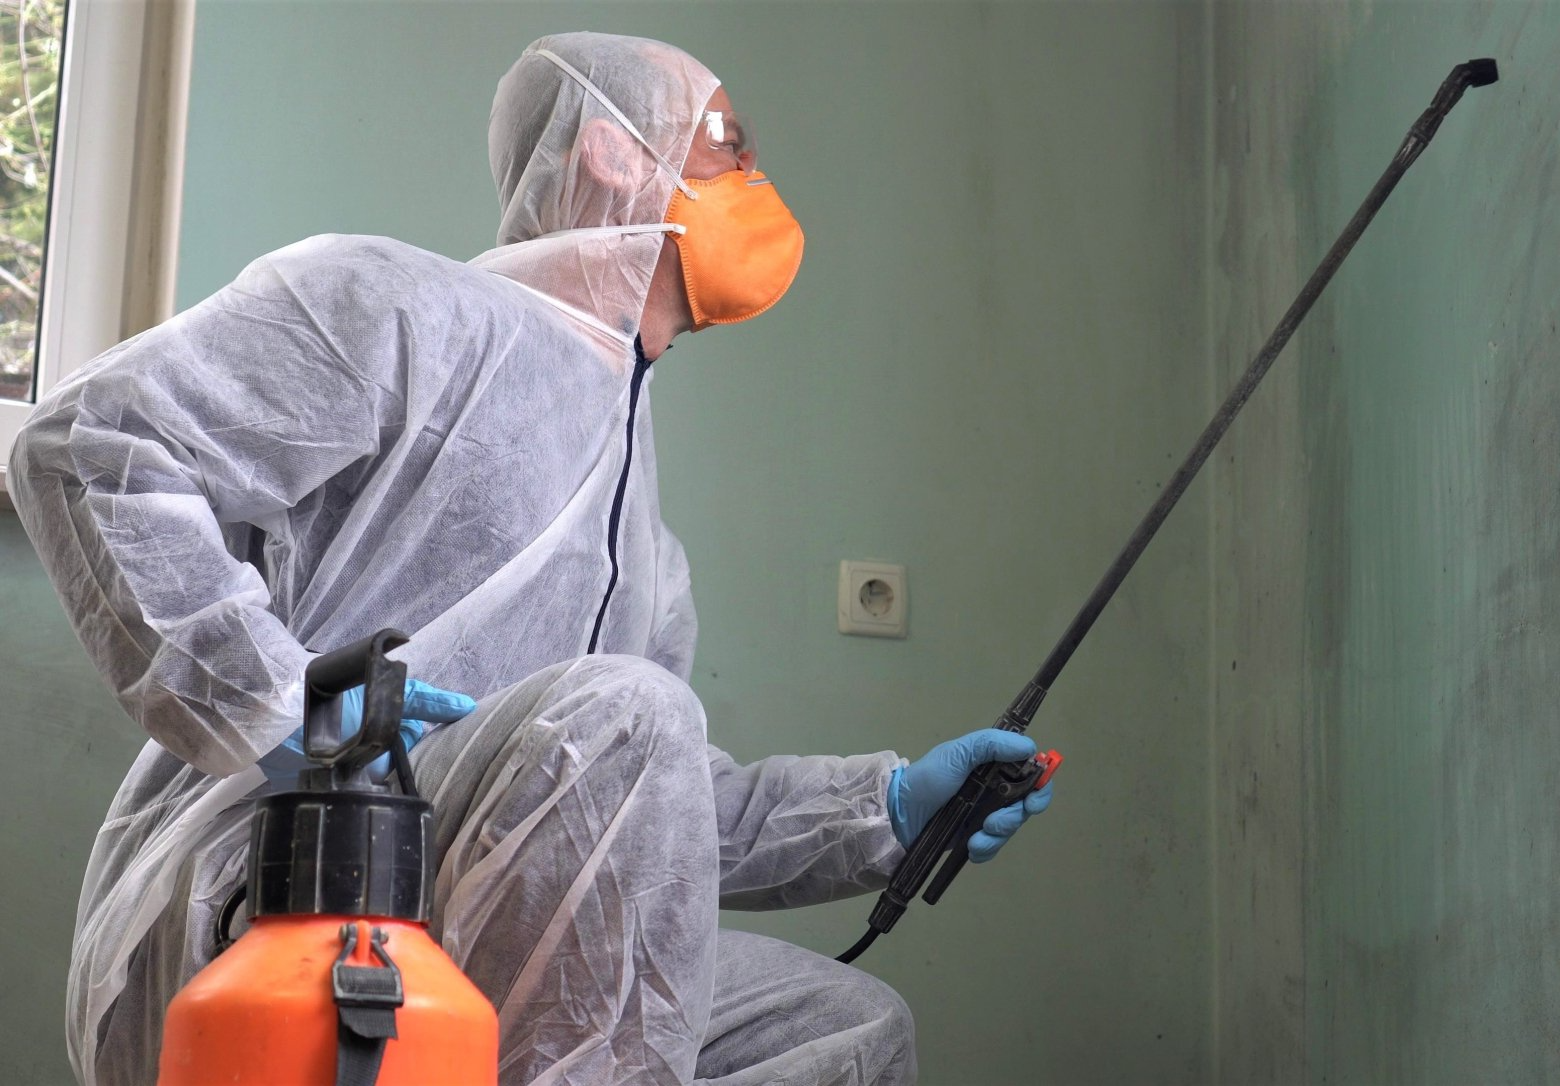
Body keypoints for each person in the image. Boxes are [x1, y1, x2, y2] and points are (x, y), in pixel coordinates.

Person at [9, 31, 1053, 1086]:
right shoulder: (399, 307)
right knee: (631, 714)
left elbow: (637, 817)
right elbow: (90, 447)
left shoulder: (639, 533)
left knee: (844, 1027)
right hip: (287, 893)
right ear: (609, 149)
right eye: (727, 145)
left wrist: (884, 812)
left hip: (488, 950)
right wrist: (280, 710)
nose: (756, 181)